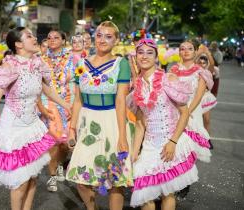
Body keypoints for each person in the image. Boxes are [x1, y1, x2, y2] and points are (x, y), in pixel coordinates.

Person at [0, 27, 71, 210]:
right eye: (29, 36)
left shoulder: (37, 63)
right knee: (20, 183)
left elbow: (46, 89)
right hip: (14, 131)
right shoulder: (10, 66)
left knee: (33, 178)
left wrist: (67, 105)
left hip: (33, 128)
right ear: (19, 44)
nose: (35, 38)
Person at [66, 21, 133, 210]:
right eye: (99, 35)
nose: (102, 40)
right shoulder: (81, 64)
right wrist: (72, 128)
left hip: (112, 121)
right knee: (80, 178)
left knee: (115, 181)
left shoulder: (122, 64)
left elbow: (121, 101)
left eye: (108, 36)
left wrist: (122, 136)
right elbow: (77, 99)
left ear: (116, 40)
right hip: (87, 124)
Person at [129, 38, 198, 210]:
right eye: (140, 52)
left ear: (156, 57)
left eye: (149, 52)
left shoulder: (168, 79)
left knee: (168, 193)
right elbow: (140, 123)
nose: (144, 56)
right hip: (149, 146)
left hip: (170, 142)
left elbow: (185, 113)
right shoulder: (137, 86)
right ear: (136, 56)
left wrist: (173, 142)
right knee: (144, 193)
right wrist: (134, 152)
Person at [169, 40, 213, 199]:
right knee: (176, 146)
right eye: (182, 49)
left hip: (192, 114)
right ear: (179, 52)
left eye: (189, 49)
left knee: (189, 149)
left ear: (195, 52)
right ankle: (175, 180)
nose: (186, 51)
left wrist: (187, 113)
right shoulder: (173, 70)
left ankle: (185, 183)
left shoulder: (201, 72)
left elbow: (199, 95)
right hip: (175, 113)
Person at [41, 29, 75, 192]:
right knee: (53, 142)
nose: (52, 39)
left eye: (56, 37)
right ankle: (52, 176)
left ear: (63, 40)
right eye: (49, 37)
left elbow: (80, 76)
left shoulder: (72, 58)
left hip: (68, 102)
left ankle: (60, 163)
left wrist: (71, 77)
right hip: (49, 104)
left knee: (65, 144)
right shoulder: (41, 59)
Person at [196, 54, 217, 140]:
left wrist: (207, 52)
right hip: (196, 98)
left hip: (205, 98)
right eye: (200, 63)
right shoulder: (193, 72)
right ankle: (198, 139)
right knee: (197, 121)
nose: (202, 64)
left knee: (207, 120)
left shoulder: (209, 72)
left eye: (204, 63)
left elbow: (212, 63)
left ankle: (207, 139)